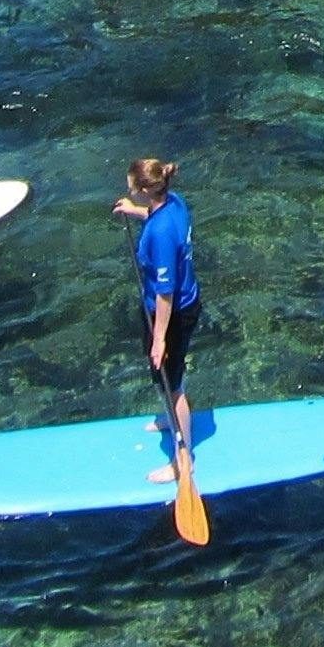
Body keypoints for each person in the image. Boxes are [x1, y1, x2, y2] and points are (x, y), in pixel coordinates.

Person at [112, 157, 203, 491]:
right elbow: (156, 216)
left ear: (147, 188)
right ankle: (170, 418)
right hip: (184, 303)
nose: (130, 190)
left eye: (133, 188)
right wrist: (135, 211)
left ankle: (184, 461)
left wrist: (159, 339)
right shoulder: (173, 203)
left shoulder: (162, 234)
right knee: (168, 379)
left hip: (172, 313)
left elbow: (165, 292)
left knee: (171, 383)